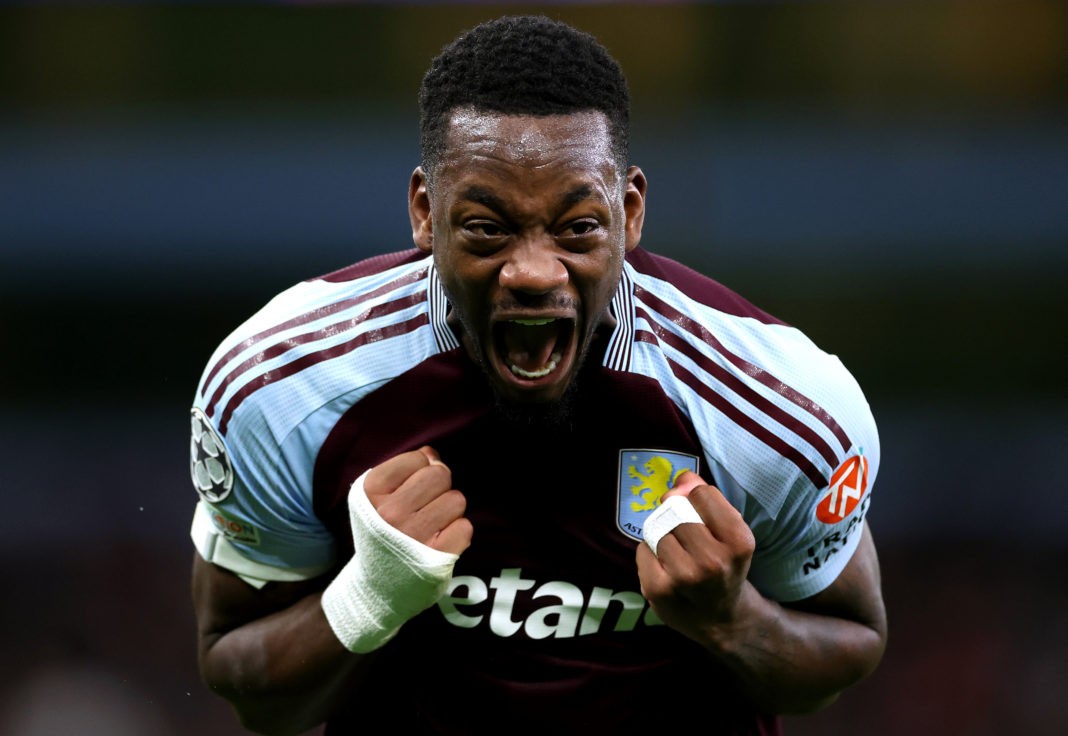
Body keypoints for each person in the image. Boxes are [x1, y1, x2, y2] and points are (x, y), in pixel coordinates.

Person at [187, 14, 887, 735]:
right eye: (487, 228)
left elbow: (849, 647)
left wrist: (732, 620)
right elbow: (251, 689)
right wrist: (365, 596)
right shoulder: (282, 385)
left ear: (630, 212)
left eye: (577, 226)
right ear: (426, 213)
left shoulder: (784, 409)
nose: (532, 272)